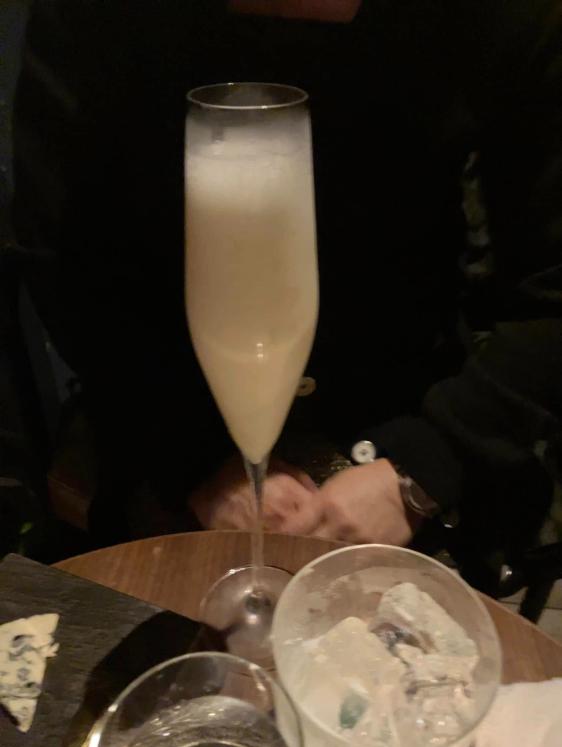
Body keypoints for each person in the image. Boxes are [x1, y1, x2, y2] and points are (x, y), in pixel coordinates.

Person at [12, 0, 562, 583]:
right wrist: (191, 455)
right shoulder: (93, 18)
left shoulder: (507, 17)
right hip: (162, 407)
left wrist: (426, 461)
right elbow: (67, 265)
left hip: (419, 414)